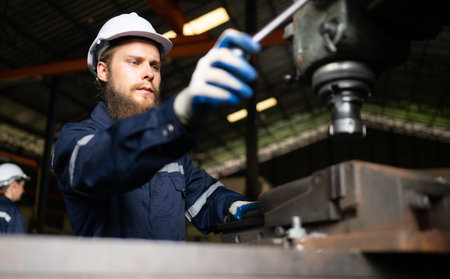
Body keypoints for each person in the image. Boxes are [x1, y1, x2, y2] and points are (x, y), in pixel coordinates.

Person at [52, 12, 260, 240]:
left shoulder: (175, 156)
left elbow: (206, 198)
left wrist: (235, 206)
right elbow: (99, 161)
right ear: (103, 71)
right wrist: (179, 111)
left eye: (155, 66)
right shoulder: (76, 140)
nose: (149, 73)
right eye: (134, 62)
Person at [0, 163, 30, 234]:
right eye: (22, 186)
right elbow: (20, 243)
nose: (23, 191)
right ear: (14, 185)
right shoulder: (12, 212)